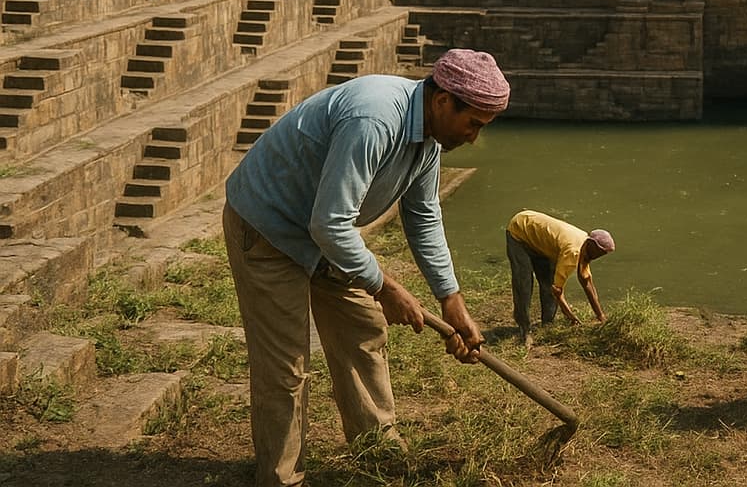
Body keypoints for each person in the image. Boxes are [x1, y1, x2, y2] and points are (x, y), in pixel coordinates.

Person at [222, 48, 510, 487]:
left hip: (322, 237)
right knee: (285, 365)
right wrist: (385, 286)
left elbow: (424, 216)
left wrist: (452, 303)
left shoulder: (427, 139)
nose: (473, 137)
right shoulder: (375, 118)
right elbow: (330, 222)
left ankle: (378, 455)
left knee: (363, 331)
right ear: (442, 100)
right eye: (472, 123)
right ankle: (281, 478)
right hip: (269, 227)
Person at [505, 209, 614, 346]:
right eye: (600, 252)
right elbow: (557, 291)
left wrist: (601, 317)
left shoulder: (586, 249)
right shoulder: (573, 251)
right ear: (592, 244)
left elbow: (586, 281)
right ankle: (525, 330)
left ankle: (547, 324)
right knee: (524, 284)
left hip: (540, 241)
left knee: (547, 280)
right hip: (520, 231)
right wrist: (571, 317)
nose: (599, 257)